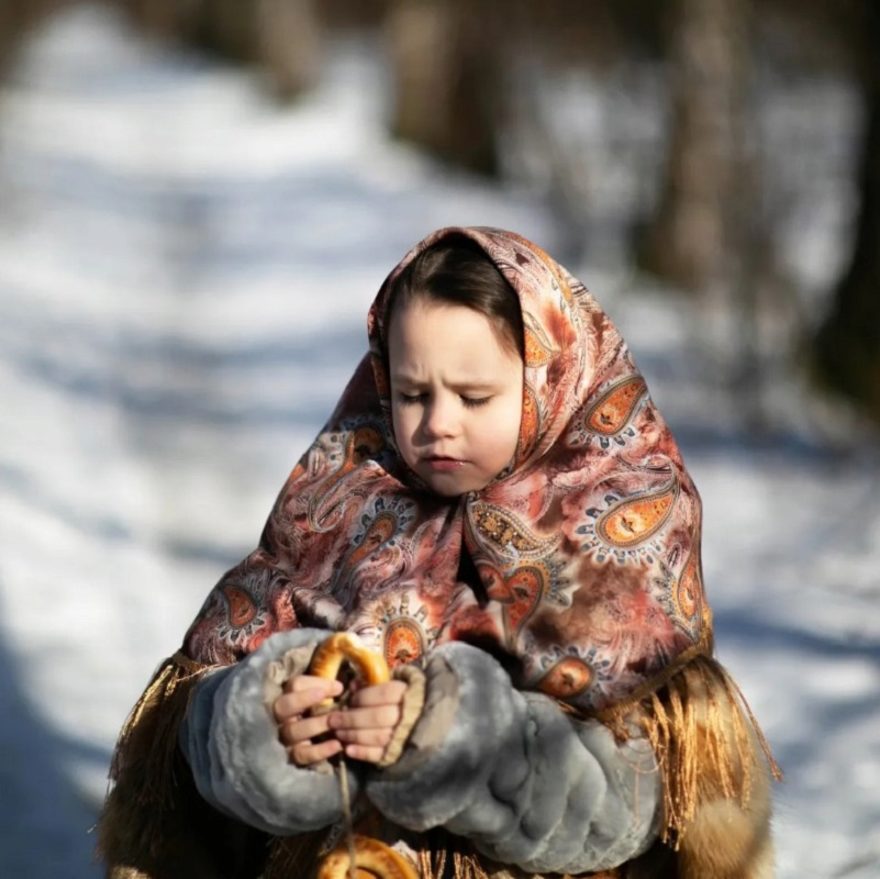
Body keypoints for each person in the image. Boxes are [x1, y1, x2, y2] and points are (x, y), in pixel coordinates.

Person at [97, 227, 780, 879]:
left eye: (474, 395)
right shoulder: (339, 504)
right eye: (412, 393)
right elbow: (186, 770)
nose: (437, 424)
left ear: (551, 380)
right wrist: (263, 732)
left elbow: (634, 806)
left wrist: (456, 739)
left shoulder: (623, 539)